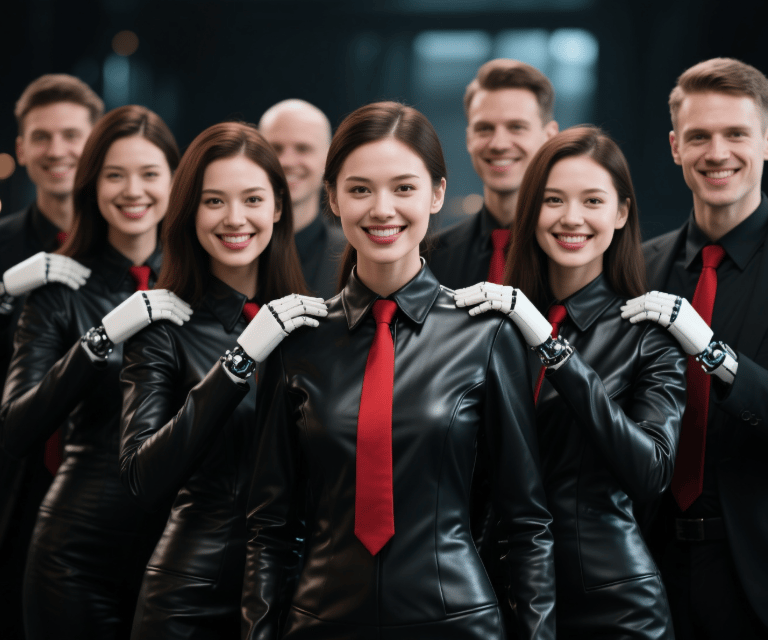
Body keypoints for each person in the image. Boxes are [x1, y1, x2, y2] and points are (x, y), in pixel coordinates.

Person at [241, 101, 555, 640]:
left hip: (458, 623)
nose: (382, 209)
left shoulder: (485, 333)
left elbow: (525, 525)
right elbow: (271, 529)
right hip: (321, 624)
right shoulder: (297, 340)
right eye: (360, 189)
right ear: (333, 197)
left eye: (404, 188)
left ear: (436, 193)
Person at [456, 126, 686, 638]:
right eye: (553, 200)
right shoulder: (494, 325)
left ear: (621, 213)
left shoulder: (647, 335)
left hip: (614, 601)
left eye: (593, 201)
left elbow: (650, 472)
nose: (572, 218)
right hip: (495, 592)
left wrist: (551, 347)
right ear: (530, 210)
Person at [119, 121, 324, 639]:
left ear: (278, 206)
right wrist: (240, 359)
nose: (235, 219)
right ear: (189, 212)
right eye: (214, 202)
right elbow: (142, 479)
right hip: (193, 593)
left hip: (308, 591)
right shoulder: (164, 329)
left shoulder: (316, 321)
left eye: (252, 199)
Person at [0, 104, 189, 639]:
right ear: (92, 185)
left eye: (150, 173)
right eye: (114, 174)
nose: (133, 190)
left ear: (175, 181)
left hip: (182, 553)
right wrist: (99, 338)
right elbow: (15, 430)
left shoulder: (199, 288)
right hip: (77, 554)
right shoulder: (58, 294)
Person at [621, 57, 768, 638]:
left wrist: (715, 353)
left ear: (765, 142)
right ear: (676, 147)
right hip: (643, 569)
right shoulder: (635, 268)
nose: (717, 152)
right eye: (700, 136)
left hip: (756, 574)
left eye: (736, 134)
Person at [0, 74, 103, 639]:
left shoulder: (141, 246)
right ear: (21, 148)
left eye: (72, 135)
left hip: (106, 489)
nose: (57, 150)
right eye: (41, 137)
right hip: (15, 486)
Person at [429, 59, 558, 289]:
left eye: (516, 127)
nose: (498, 144)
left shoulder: (576, 256)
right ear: (469, 138)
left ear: (549, 137)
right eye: (484, 128)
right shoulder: (430, 259)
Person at [260, 99, 345, 298]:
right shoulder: (226, 251)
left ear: (328, 159)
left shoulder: (357, 256)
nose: (287, 162)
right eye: (276, 148)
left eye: (303, 148)